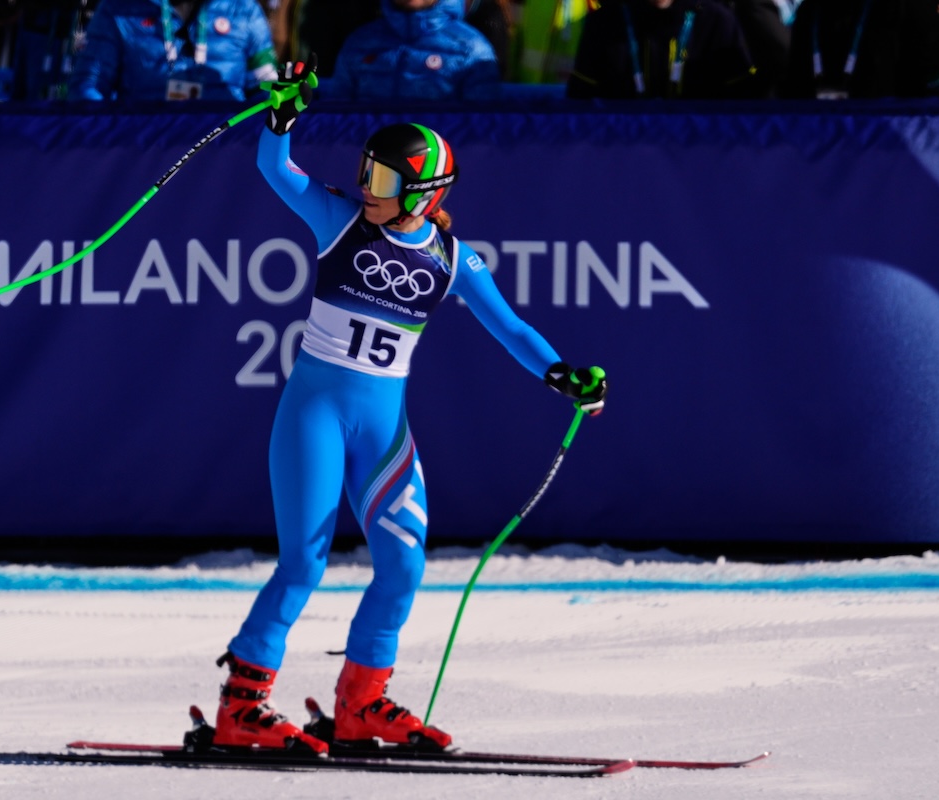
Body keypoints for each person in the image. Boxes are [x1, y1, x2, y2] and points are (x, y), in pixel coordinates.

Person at [210, 58, 608, 754]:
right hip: (317, 416)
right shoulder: (339, 218)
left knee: (403, 566)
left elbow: (510, 327)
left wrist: (560, 374)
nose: (367, 188)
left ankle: (361, 704)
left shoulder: (452, 259)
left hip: (384, 430)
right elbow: (279, 172)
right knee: (303, 564)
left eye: (384, 181)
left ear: (423, 195)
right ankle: (242, 707)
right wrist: (282, 118)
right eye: (366, 172)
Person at [67, 0, 279, 102]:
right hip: (144, 151)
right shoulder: (118, 9)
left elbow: (266, 87)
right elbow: (88, 88)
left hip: (222, 154)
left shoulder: (243, 9)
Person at [566, 0, 756, 99]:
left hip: (700, 159)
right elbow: (579, 104)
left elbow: (745, 108)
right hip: (621, 159)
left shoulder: (718, 23)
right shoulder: (604, 24)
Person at [327, 0, 502, 101]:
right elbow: (336, 121)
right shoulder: (359, 43)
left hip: (437, 161)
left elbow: (481, 134)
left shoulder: (471, 50)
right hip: (369, 161)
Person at [779, 0, 939, 99]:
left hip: (888, 143)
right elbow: (792, 88)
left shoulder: (908, 8)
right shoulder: (810, 11)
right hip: (816, 140)